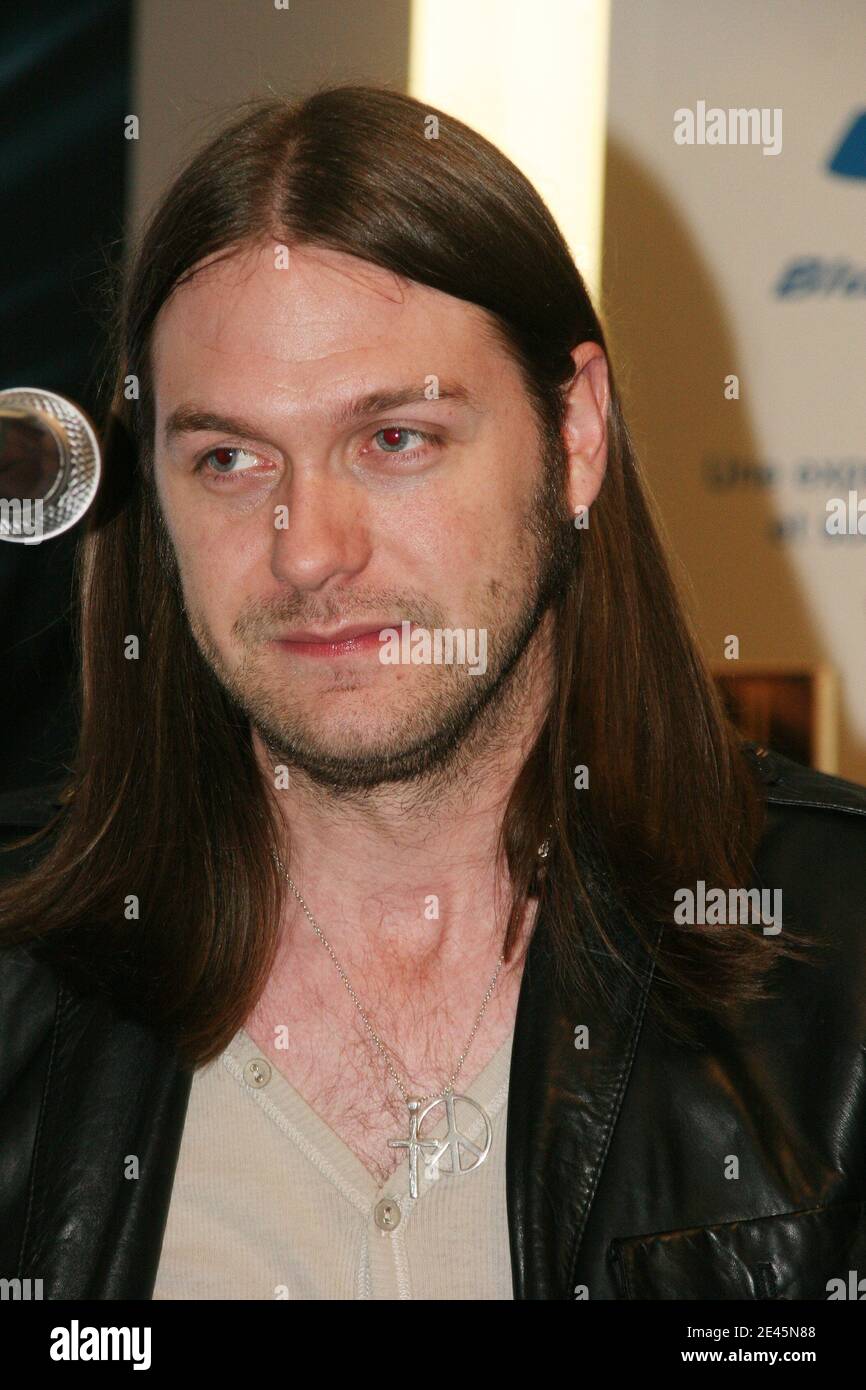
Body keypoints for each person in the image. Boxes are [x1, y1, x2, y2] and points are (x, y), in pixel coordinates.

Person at [1, 84, 864, 1303]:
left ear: (575, 435)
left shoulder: (841, 976)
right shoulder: (26, 988)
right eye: (229, 459)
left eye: (393, 439)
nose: (307, 551)